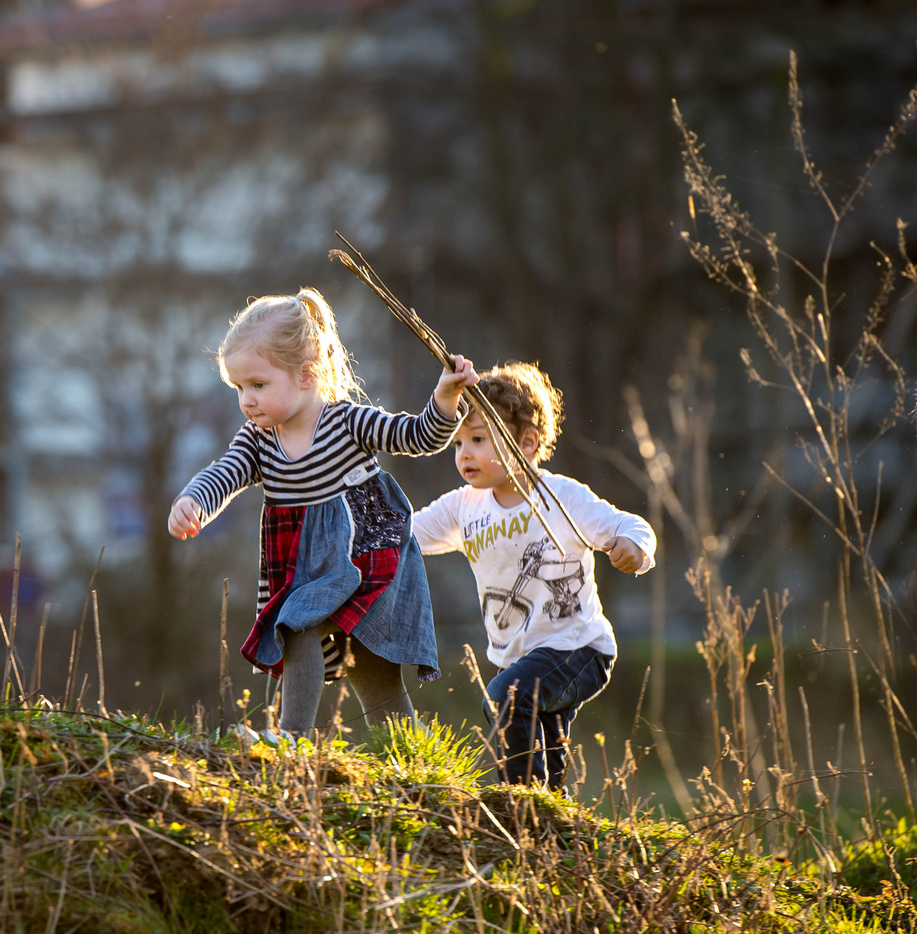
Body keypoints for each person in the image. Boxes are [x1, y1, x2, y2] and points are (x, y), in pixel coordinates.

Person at [168, 287, 478, 740]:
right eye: (238, 387)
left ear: (306, 375)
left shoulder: (346, 422)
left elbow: (417, 437)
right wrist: (193, 500)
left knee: (338, 649)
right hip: (307, 567)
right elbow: (226, 473)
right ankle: (345, 745)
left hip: (365, 553)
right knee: (327, 643)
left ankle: (355, 750)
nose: (246, 400)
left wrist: (445, 399)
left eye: (258, 384)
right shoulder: (258, 440)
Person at [411, 362, 656, 790]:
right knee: (542, 740)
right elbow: (405, 535)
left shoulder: (560, 497)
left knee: (506, 697)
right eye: (458, 443)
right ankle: (551, 827)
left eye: (478, 439)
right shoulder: (463, 506)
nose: (464, 453)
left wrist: (634, 548)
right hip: (522, 656)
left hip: (580, 648)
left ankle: (522, 804)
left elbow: (629, 525)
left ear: (526, 442)